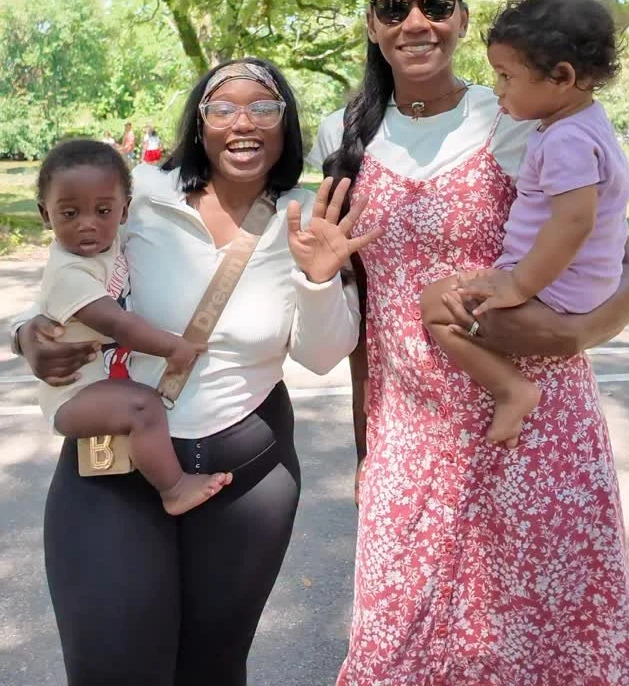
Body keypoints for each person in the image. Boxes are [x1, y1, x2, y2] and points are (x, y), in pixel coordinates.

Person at [310, 0, 629, 686]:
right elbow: (361, 316)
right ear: (371, 23)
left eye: (437, 4)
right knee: (400, 649)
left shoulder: (521, 113)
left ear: (461, 17)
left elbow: (618, 259)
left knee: (545, 644)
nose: (416, 22)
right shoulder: (344, 134)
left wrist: (579, 333)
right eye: (394, 8)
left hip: (534, 425)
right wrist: (366, 444)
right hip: (410, 433)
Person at [12, 57, 372, 686]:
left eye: (264, 108)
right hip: (115, 467)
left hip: (247, 479)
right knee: (112, 668)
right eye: (223, 108)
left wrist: (319, 278)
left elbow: (320, 356)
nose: (244, 122)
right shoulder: (141, 194)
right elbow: (69, 275)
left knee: (211, 670)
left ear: (286, 123)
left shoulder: (305, 215)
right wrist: (23, 335)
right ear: (199, 123)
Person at [421, 0, 629, 447]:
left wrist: (518, 285)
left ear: (561, 76)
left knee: (435, 305)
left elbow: (574, 221)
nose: (498, 89)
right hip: (584, 282)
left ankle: (511, 389)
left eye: (506, 76)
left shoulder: (565, 140)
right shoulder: (587, 122)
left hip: (559, 287)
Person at [36, 137, 232, 515]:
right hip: (72, 398)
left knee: (141, 405)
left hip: (99, 384)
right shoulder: (68, 273)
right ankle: (174, 489)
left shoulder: (111, 244)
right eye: (70, 213)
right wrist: (174, 347)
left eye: (103, 210)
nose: (88, 225)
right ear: (46, 215)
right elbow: (119, 325)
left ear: (124, 211)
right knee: (143, 408)